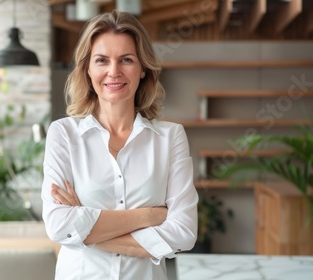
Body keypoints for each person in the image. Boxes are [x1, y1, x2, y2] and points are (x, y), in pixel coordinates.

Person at [41, 10, 198, 280]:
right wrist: (149, 216)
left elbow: (183, 233)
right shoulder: (63, 134)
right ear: (87, 69)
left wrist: (84, 229)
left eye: (126, 59)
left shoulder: (170, 138)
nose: (114, 72)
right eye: (102, 60)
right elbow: (59, 226)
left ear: (143, 69)